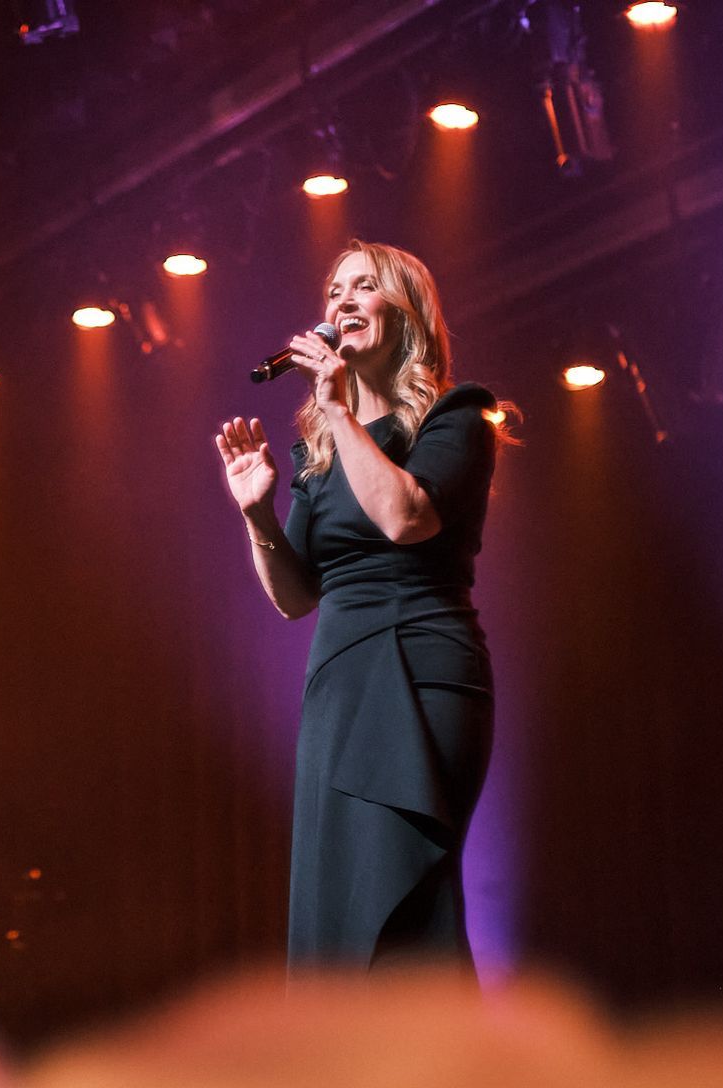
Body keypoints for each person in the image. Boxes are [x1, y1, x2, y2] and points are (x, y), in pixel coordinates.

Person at [216, 239, 515, 971]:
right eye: (333, 292)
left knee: (403, 889)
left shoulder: (459, 417)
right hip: (340, 683)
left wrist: (340, 412)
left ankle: (440, 1078)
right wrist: (257, 514)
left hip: (421, 667)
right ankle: (347, 1076)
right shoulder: (319, 455)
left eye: (363, 288)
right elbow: (295, 598)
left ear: (406, 312)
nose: (341, 302)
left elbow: (406, 517)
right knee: (337, 905)